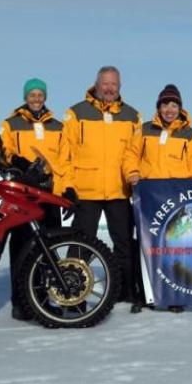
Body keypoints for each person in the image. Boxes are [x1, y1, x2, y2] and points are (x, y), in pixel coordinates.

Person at [57, 66, 142, 309]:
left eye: (113, 84)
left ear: (120, 87)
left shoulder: (132, 116)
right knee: (81, 246)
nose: (109, 88)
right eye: (105, 83)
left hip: (118, 191)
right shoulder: (75, 114)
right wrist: (68, 185)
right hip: (86, 191)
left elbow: (131, 155)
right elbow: (65, 155)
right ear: (96, 84)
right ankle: (74, 295)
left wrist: (133, 175)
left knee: (124, 244)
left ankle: (125, 291)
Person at [124, 83, 192, 313]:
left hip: (176, 200)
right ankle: (143, 295)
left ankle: (174, 295)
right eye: (165, 105)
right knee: (144, 246)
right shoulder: (144, 129)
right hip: (147, 198)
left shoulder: (191, 135)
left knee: (174, 247)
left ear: (180, 107)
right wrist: (133, 174)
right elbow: (130, 155)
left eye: (173, 105)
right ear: (158, 107)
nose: (169, 109)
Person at [0, 77, 65, 320]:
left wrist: (65, 188)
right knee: (21, 247)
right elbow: (0, 149)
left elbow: (65, 159)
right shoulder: (10, 124)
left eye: (40, 94)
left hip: (49, 193)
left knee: (48, 247)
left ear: (45, 97)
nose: (36, 99)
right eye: (32, 94)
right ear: (25, 97)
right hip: (22, 194)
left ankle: (45, 299)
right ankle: (20, 302)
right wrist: (16, 161)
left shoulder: (58, 126)